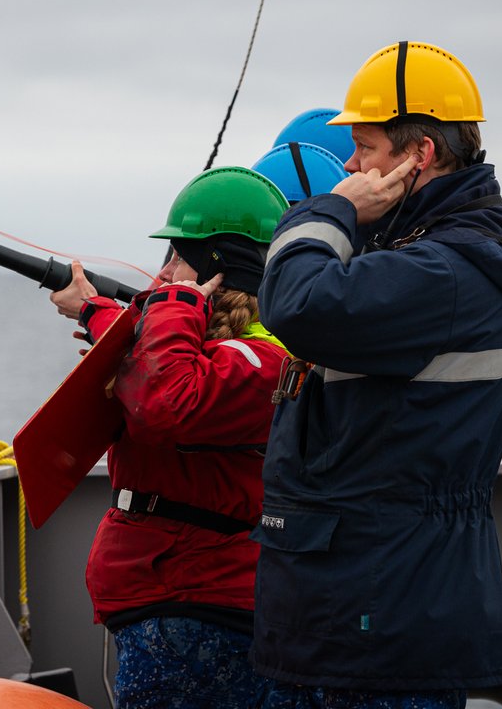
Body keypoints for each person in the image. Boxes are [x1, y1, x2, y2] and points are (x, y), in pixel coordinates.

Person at [252, 41, 502, 708]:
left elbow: (296, 303)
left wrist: (327, 210)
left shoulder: (442, 273)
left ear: (418, 154)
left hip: (375, 618)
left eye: (364, 149)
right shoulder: (436, 257)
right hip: (369, 609)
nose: (352, 167)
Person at [49, 166, 291, 709]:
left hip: (197, 605)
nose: (164, 273)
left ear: (215, 267)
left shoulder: (264, 359)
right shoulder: (206, 351)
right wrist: (94, 313)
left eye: (178, 257)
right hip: (172, 597)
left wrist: (176, 305)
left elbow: (166, 401)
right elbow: (161, 361)